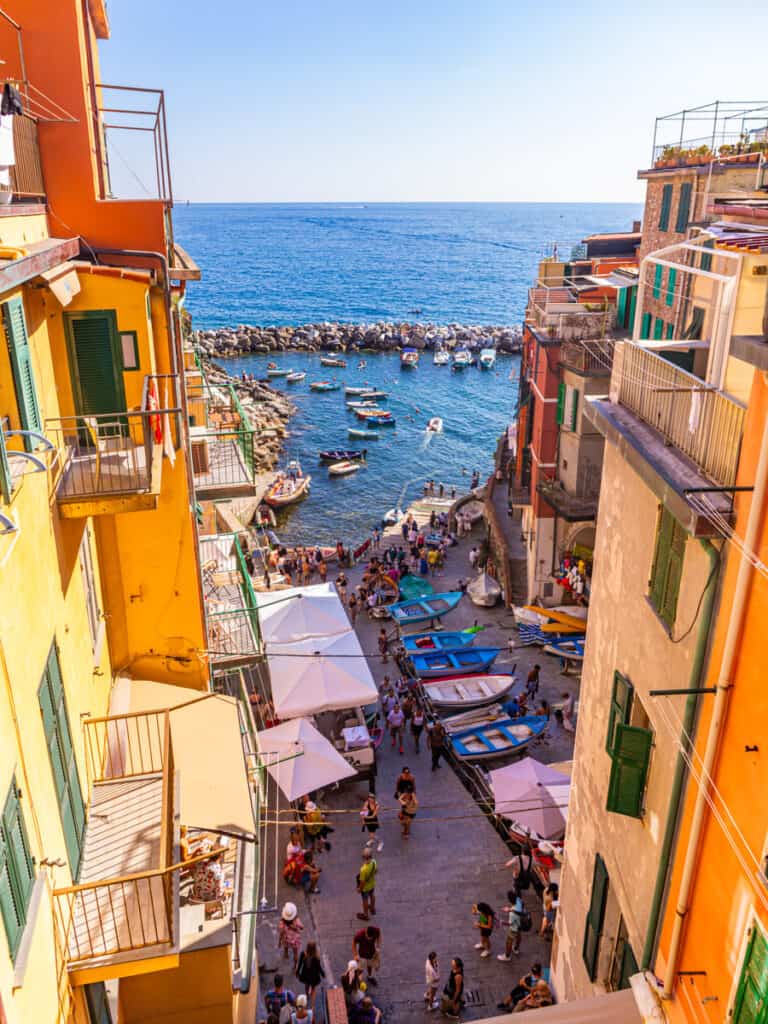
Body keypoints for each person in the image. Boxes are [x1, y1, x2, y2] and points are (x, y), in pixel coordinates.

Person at [296, 941, 325, 1013]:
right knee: (313, 988)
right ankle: (312, 1004)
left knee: (306, 984)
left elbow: (299, 964)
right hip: (314, 975)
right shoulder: (316, 957)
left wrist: (297, 972)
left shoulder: (303, 954)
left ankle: (307, 995)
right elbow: (319, 967)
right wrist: (322, 973)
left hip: (305, 974)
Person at [497, 892, 524, 960]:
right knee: (518, 937)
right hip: (520, 925)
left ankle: (507, 956)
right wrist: (509, 909)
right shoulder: (519, 900)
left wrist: (502, 922)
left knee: (509, 941)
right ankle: (516, 949)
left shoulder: (512, 914)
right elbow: (518, 908)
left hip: (513, 928)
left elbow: (510, 923)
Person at [278, 902, 304, 971]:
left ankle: (286, 954)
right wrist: (297, 927)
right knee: (295, 953)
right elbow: (302, 927)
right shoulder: (296, 920)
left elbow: (281, 932)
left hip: (286, 938)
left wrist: (279, 941)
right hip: (295, 940)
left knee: (285, 945)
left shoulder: (282, 922)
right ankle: (295, 966)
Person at [356, 848, 377, 921]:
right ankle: (373, 909)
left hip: (365, 888)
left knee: (365, 900)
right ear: (371, 856)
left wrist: (359, 889)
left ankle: (365, 915)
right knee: (372, 895)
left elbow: (362, 882)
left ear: (363, 857)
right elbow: (376, 871)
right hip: (372, 884)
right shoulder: (374, 862)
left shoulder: (363, 869)